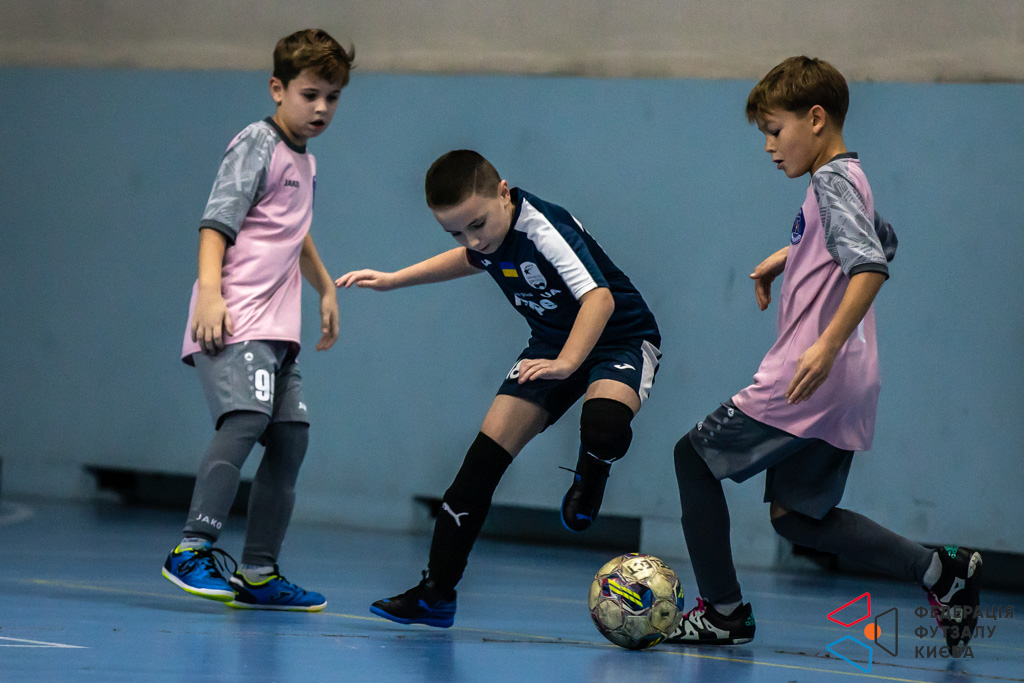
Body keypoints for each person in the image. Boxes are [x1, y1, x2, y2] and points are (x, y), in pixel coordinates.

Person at [667, 56, 981, 654]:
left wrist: (825, 344)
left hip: (807, 375)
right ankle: (939, 571)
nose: (768, 146)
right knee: (796, 517)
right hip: (848, 381)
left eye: (774, 130)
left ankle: (723, 612)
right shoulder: (850, 177)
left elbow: (871, 264)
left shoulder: (830, 182)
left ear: (815, 118)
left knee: (693, 459)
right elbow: (883, 238)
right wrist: (791, 255)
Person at [336, 150, 662, 627]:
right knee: (478, 468)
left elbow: (599, 298)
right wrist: (394, 280)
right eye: (456, 232)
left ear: (504, 193)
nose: (473, 240)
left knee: (604, 424)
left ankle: (591, 474)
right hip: (552, 343)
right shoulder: (487, 236)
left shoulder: (542, 228)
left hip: (620, 337)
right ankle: (436, 593)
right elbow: (473, 258)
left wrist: (567, 364)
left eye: (477, 224)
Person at [161, 28, 354, 612]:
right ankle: (191, 548)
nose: (321, 108)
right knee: (245, 420)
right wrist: (210, 295)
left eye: (332, 97)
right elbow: (216, 223)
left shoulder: (306, 161)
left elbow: (293, 231)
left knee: (291, 438)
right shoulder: (256, 142)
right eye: (309, 94)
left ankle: (260, 572)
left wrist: (325, 288)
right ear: (277, 88)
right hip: (235, 317)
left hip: (278, 330)